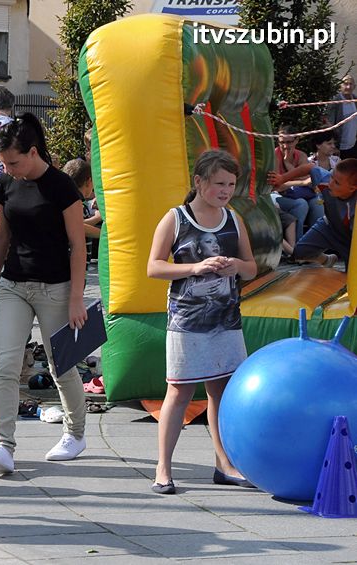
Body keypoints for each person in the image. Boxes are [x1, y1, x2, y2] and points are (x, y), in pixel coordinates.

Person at [0, 113, 89, 474]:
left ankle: (76, 432)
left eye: (13, 161)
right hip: (13, 285)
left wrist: (76, 299)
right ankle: (4, 445)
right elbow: (1, 237)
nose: (8, 168)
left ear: (33, 151)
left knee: (62, 366)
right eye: (5, 162)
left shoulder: (62, 188)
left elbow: (78, 245)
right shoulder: (7, 185)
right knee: (5, 366)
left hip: (56, 288)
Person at [146, 149, 257, 495]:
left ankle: (224, 463)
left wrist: (235, 267)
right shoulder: (176, 218)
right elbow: (153, 267)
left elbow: (252, 267)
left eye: (231, 184)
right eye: (219, 183)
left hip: (225, 320)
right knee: (178, 392)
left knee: (222, 391)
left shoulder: (232, 218)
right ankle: (163, 468)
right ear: (199, 182)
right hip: (187, 322)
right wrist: (195, 268)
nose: (225, 191)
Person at [269, 159, 357, 267]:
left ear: (352, 188)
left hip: (350, 240)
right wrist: (282, 178)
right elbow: (310, 167)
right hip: (328, 226)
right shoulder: (325, 179)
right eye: (332, 177)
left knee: (351, 276)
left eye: (337, 183)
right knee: (299, 253)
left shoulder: (354, 206)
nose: (330, 183)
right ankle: (326, 260)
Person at [273, 125, 323, 240]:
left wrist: (288, 165)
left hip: (299, 194)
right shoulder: (274, 156)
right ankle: (298, 247)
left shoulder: (301, 156)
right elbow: (277, 186)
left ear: (297, 140)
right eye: (282, 142)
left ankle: (316, 246)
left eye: (289, 142)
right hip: (278, 195)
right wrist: (301, 182)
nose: (285, 146)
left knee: (318, 203)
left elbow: (308, 180)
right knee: (301, 204)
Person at [326, 75, 357, 159]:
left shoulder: (355, 99)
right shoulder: (335, 102)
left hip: (353, 146)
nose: (348, 87)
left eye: (351, 84)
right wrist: (334, 147)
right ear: (340, 85)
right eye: (345, 84)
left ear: (354, 86)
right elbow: (330, 126)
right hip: (339, 148)